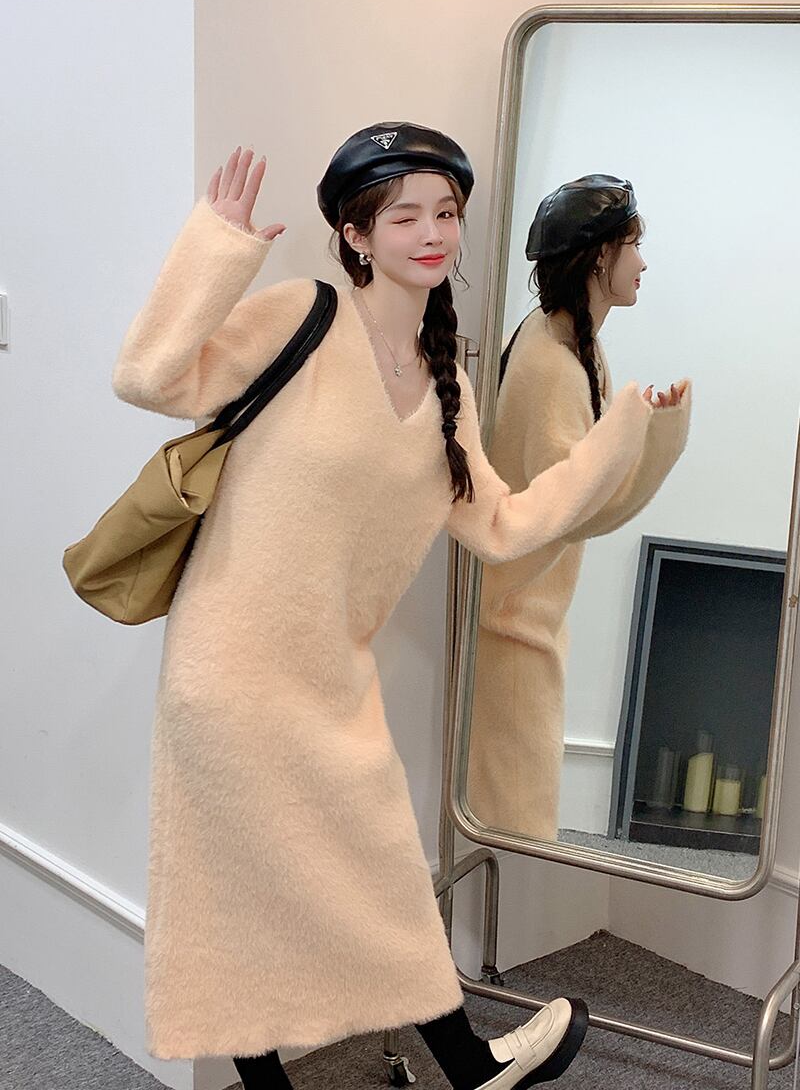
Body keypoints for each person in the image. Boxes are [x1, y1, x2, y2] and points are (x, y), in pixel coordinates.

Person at [112, 130, 659, 1088]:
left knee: (374, 872)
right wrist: (217, 246)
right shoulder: (301, 316)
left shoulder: (449, 385)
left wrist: (621, 438)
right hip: (230, 665)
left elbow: (502, 525)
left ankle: (467, 1065)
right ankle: (466, 1065)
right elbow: (149, 378)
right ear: (356, 235)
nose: (433, 232)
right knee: (247, 893)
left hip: (333, 673)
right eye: (405, 215)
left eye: (446, 212)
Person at [468, 175, 692, 841]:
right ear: (599, 256)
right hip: (513, 628)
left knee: (516, 817)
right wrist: (657, 438)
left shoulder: (570, 342)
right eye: (633, 244)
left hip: (523, 619)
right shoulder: (554, 365)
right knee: (520, 830)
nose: (643, 261)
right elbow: (575, 509)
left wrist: (641, 434)